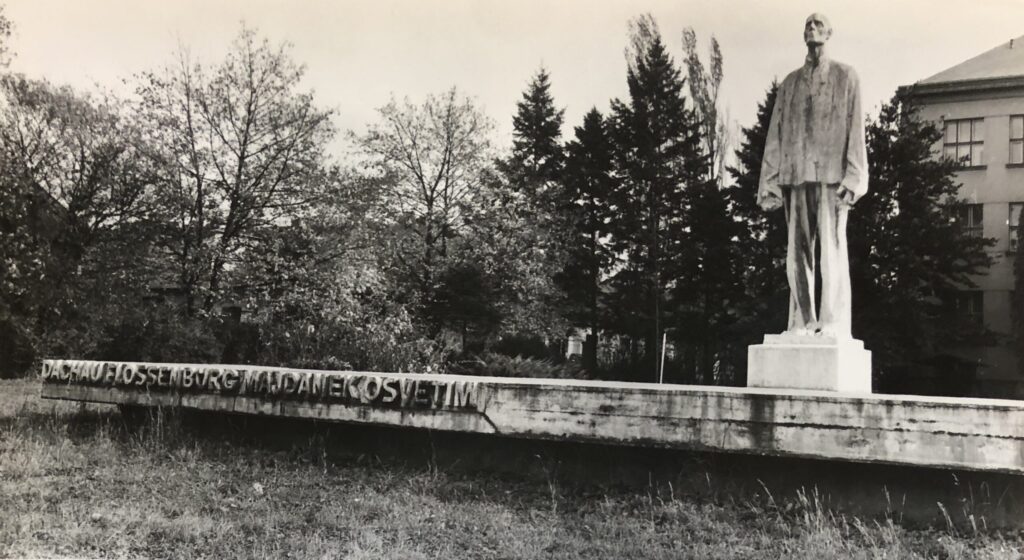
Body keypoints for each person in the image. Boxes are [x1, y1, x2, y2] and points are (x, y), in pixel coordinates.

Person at [758, 12, 868, 338]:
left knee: (832, 250)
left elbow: (856, 128)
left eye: (818, 24)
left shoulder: (846, 76)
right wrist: (769, 181)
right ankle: (801, 321)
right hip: (795, 172)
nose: (812, 28)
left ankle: (833, 322)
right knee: (797, 253)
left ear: (829, 33)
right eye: (808, 24)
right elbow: (775, 133)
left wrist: (855, 175)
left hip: (832, 174)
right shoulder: (789, 84)